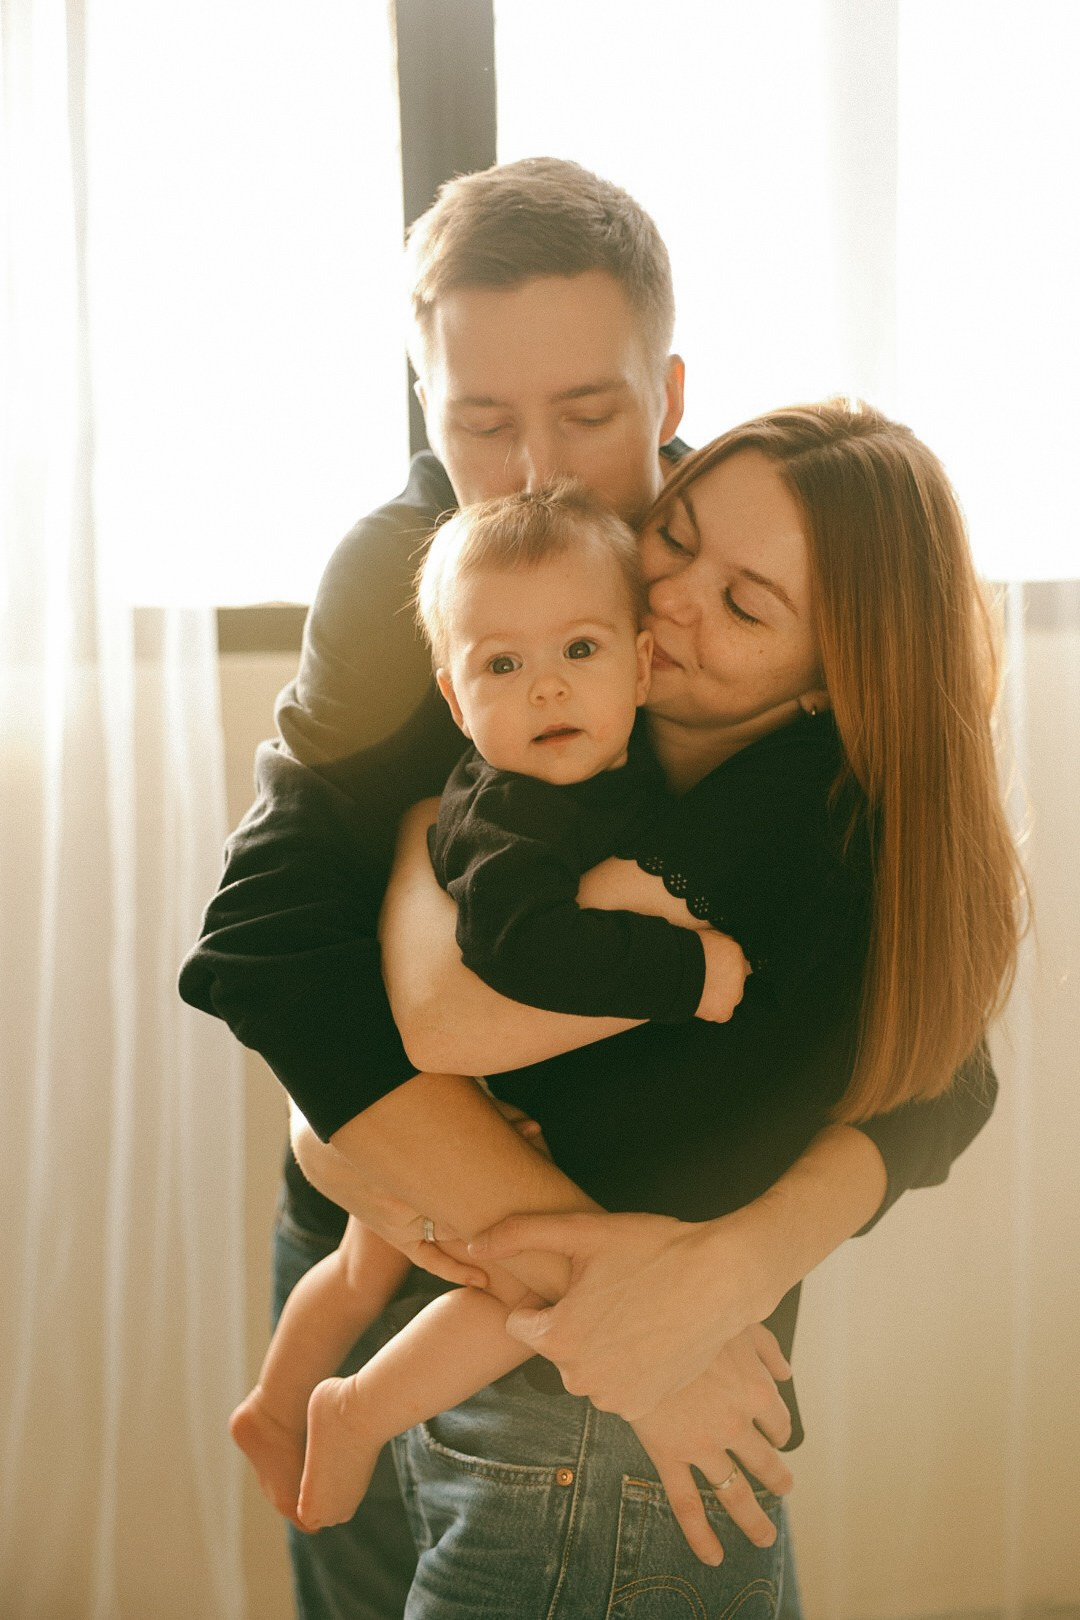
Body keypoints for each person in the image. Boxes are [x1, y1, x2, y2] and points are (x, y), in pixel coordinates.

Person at [180, 158, 1004, 1619]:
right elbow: (263, 945)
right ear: (425, 403)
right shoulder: (408, 570)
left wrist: (706, 1284)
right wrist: (597, 1278)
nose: (538, 473)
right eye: (481, 423)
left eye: (590, 413)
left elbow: (935, 1051)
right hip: (410, 1242)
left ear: (670, 390)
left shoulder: (742, 550)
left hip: (641, 1311)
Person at [230, 484, 751, 1533]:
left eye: (581, 652)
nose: (548, 690)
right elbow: (517, 949)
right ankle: (353, 1409)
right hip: (473, 1119)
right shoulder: (511, 811)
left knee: (354, 1268)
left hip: (455, 1104)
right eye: (503, 666)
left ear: (644, 663)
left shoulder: (594, 773)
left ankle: (274, 1400)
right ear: (458, 700)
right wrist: (688, 975)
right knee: (526, 1298)